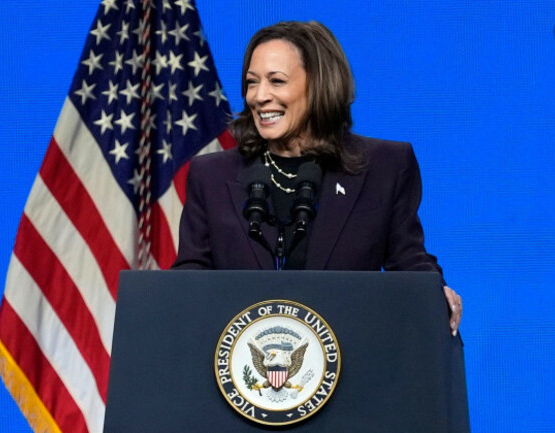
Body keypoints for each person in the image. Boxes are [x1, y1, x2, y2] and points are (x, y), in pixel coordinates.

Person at [172, 21, 462, 336]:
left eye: (276, 81)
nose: (259, 96)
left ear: (318, 84)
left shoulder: (384, 167)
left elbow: (408, 257)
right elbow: (192, 275)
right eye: (251, 82)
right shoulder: (211, 175)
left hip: (351, 359)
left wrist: (436, 290)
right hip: (240, 366)